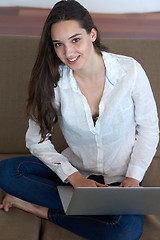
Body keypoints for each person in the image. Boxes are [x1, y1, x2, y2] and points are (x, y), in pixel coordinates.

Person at [0, 0, 159, 239]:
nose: (68, 53)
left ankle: (42, 210)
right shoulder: (53, 81)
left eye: (75, 40)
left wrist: (134, 178)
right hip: (75, 174)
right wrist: (74, 178)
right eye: (58, 45)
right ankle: (93, 208)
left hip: (120, 180)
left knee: (125, 232)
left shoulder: (130, 71)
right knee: (8, 172)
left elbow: (148, 128)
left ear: (92, 34)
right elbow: (36, 140)